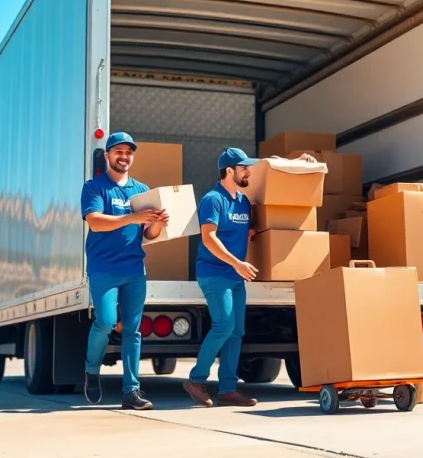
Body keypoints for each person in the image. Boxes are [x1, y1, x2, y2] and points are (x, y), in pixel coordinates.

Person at [183, 148, 315, 407]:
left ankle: (228, 389)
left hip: (235, 275)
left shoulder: (243, 201)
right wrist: (237, 263)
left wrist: (297, 162)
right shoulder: (212, 199)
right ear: (229, 171)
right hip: (215, 274)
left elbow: (270, 164)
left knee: (237, 332)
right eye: (243, 168)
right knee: (223, 326)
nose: (249, 171)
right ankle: (196, 380)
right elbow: (209, 238)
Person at [80, 131, 168, 410]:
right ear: (107, 155)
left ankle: (131, 391)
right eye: (118, 151)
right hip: (103, 267)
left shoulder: (142, 190)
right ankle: (91, 371)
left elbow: (149, 234)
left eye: (128, 152)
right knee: (105, 321)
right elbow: (95, 222)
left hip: (133, 268)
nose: (124, 156)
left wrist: (158, 222)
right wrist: (132, 217)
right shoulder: (94, 187)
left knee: (133, 329)